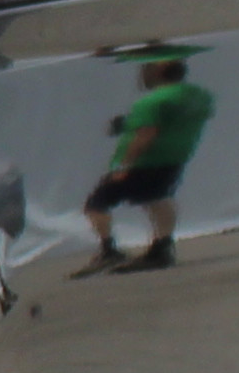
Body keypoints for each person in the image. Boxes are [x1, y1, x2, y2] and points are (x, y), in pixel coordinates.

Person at [84, 45, 213, 271]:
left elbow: (147, 134)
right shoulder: (200, 96)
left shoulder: (151, 103)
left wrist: (125, 165)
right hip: (174, 158)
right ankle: (162, 247)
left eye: (146, 68)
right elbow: (173, 120)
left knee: (97, 204)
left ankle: (109, 249)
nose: (142, 74)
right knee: (158, 199)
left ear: (157, 70)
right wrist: (128, 123)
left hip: (143, 162)